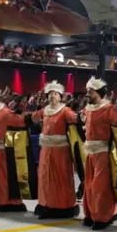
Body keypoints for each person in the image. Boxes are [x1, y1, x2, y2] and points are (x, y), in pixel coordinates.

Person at [79, 77, 117, 230]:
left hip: (103, 153)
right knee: (89, 185)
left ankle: (103, 217)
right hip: (90, 153)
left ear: (99, 93)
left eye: (91, 91)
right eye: (88, 91)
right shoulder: (87, 109)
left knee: (100, 187)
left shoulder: (108, 109)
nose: (88, 94)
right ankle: (91, 214)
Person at [30, 81, 80, 219]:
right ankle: (46, 205)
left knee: (61, 177)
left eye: (55, 94)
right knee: (45, 178)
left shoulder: (65, 111)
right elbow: (32, 117)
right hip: (46, 150)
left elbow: (76, 119)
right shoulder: (44, 111)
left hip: (60, 151)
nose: (52, 96)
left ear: (60, 97)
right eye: (50, 94)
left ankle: (63, 206)